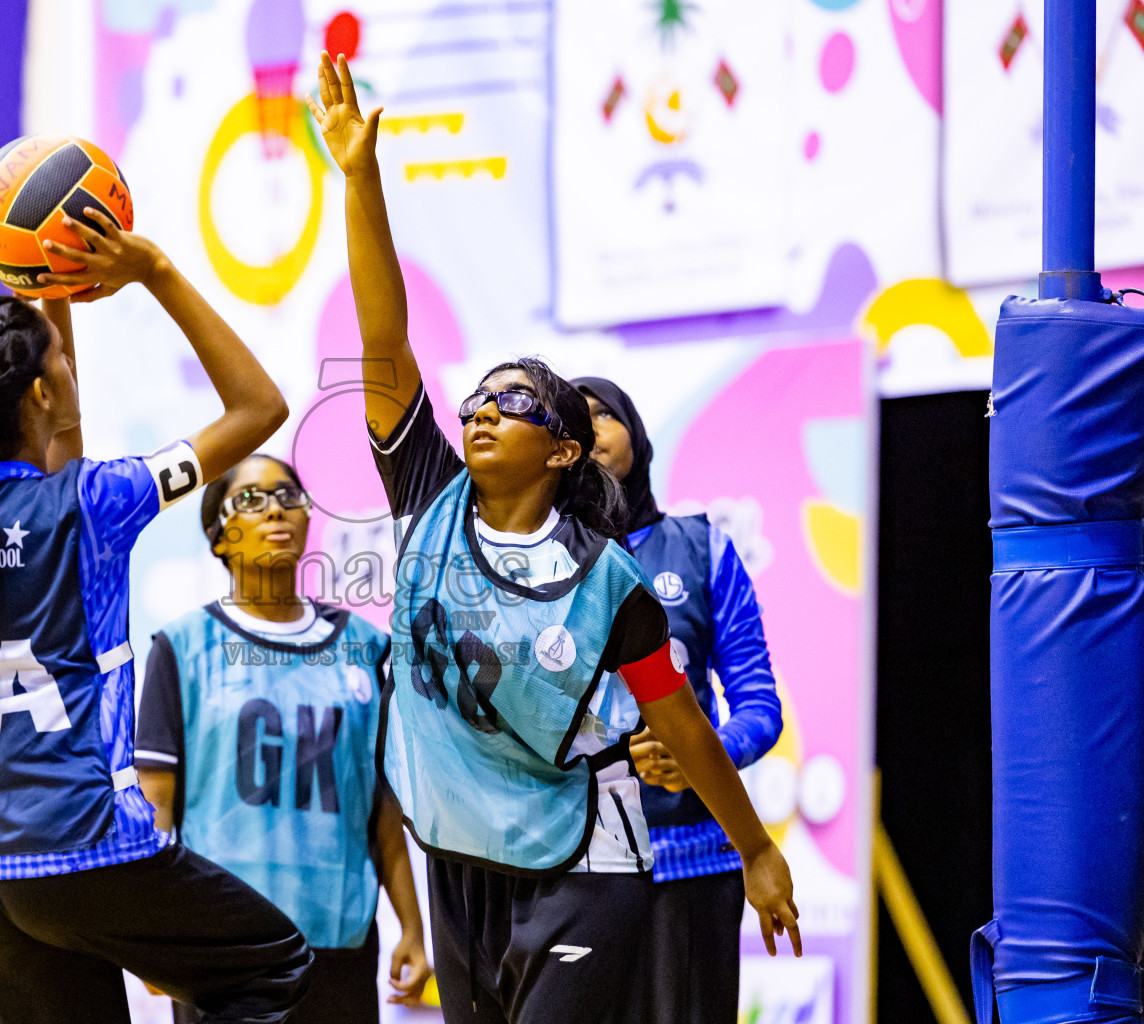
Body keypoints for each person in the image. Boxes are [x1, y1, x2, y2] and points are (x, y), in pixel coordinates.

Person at [308, 52, 801, 1024]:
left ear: (567, 449)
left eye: (516, 401)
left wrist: (755, 848)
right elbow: (384, 339)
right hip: (464, 868)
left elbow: (684, 722)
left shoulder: (610, 576)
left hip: (587, 863)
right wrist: (361, 179)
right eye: (480, 396)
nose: (484, 410)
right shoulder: (430, 500)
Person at [0, 208, 314, 1024]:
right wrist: (154, 269)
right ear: (43, 392)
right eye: (61, 362)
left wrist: (50, 298)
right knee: (274, 969)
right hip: (85, 841)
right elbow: (259, 407)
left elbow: (60, 446)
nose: (70, 368)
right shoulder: (90, 503)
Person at [135, 454, 433, 1023]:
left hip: (339, 942)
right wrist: (155, 937)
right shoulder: (182, 646)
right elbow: (157, 810)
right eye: (250, 499)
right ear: (218, 539)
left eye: (288, 496)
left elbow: (383, 807)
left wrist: (412, 927)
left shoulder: (366, 647)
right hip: (221, 948)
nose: (275, 508)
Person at [575, 376, 784, 1024]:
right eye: (569, 423)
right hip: (568, 873)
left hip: (692, 864)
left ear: (635, 433)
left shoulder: (705, 549)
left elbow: (759, 704)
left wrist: (705, 752)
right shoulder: (535, 568)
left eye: (600, 416)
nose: (588, 433)